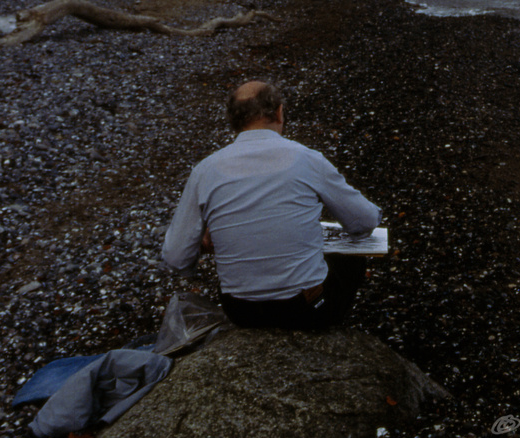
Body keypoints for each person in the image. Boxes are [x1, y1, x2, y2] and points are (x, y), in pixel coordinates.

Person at [162, 80, 381, 330]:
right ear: (278, 112)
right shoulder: (306, 159)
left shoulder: (205, 171)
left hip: (241, 313)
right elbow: (366, 221)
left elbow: (176, 257)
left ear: (234, 121)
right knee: (351, 256)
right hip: (305, 311)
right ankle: (328, 332)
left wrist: (208, 239)